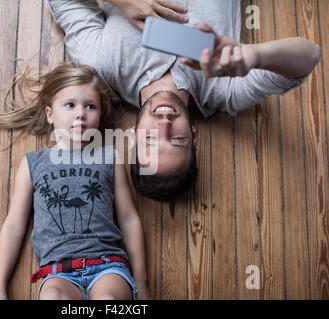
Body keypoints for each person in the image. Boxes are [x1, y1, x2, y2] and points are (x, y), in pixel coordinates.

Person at [48, 0, 322, 201]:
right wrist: (254, 56)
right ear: (193, 136)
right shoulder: (225, 89)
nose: (165, 125)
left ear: (131, 137)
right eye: (177, 140)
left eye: (151, 140)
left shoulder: (101, 67)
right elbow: (309, 56)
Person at [0, 63, 150, 300]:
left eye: (90, 106)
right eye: (70, 105)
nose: (80, 113)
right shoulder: (33, 163)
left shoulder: (109, 157)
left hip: (108, 266)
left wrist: (142, 283)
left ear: (100, 114)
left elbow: (128, 218)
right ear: (50, 114)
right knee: (53, 296)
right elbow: (14, 225)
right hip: (58, 272)